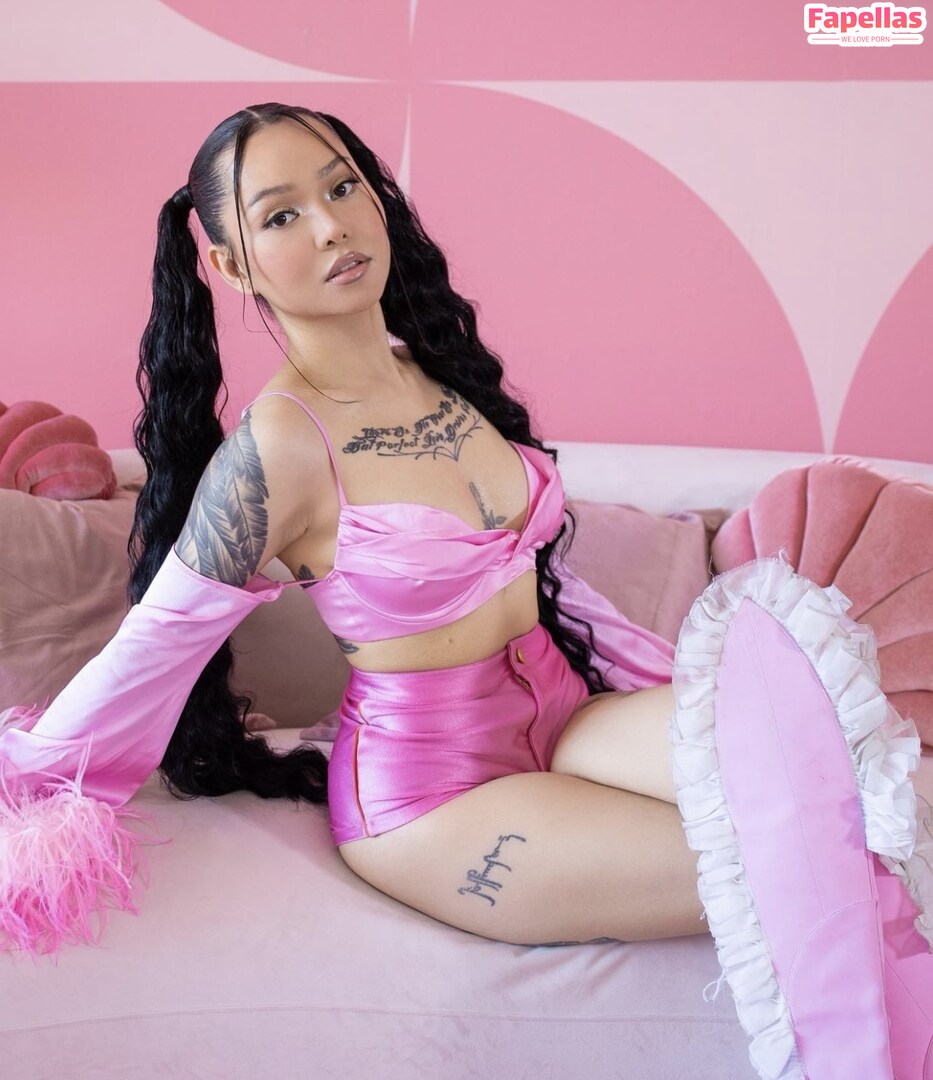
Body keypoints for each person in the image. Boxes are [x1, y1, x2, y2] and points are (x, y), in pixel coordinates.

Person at [1, 102, 931, 1079]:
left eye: (341, 186)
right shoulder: (277, 451)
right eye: (281, 215)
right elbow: (154, 647)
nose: (331, 225)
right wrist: (27, 779)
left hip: (564, 713)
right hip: (437, 797)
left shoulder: (434, 372)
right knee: (800, 869)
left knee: (849, 803)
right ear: (232, 266)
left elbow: (533, 571)